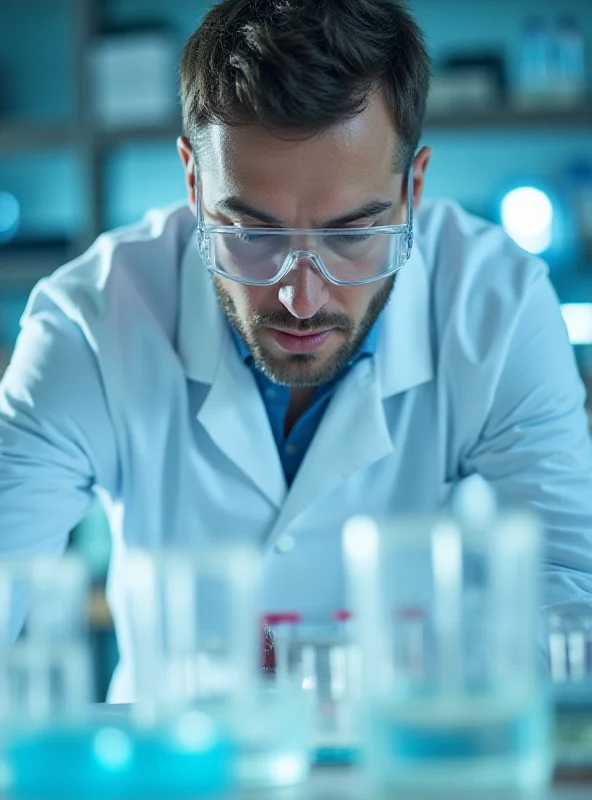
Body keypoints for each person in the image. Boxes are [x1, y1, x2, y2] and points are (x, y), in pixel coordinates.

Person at [1, 0, 592, 701]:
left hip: (412, 755)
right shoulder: (89, 325)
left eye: (350, 234)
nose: (303, 299)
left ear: (413, 191)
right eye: (252, 236)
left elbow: (574, 596)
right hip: (183, 764)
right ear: (194, 182)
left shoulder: (495, 305)